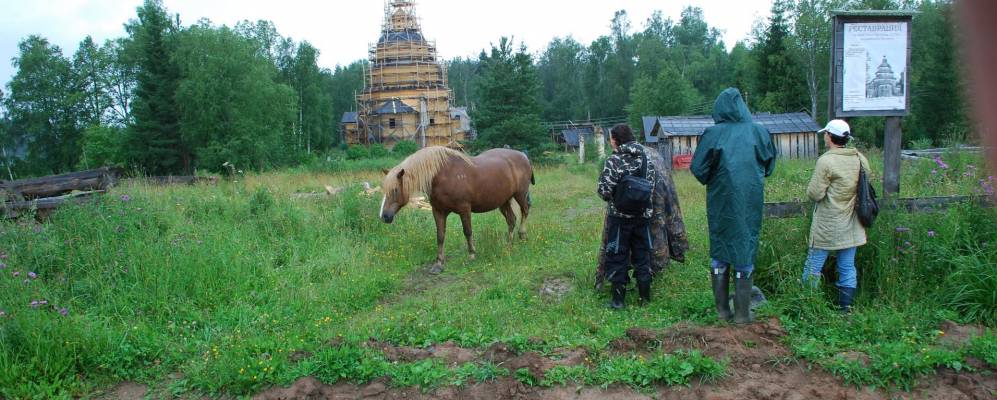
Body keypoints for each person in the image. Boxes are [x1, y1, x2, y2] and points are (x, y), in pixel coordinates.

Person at [691, 88, 777, 324]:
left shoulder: (713, 133)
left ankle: (722, 312)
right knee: (744, 249)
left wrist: (717, 178)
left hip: (720, 202)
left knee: (720, 251)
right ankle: (742, 314)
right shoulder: (760, 132)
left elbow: (699, 170)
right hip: (749, 202)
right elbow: (769, 166)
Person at [802, 119, 870, 312]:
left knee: (813, 266)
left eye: (825, 134)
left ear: (829, 136)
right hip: (853, 222)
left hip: (828, 223)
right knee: (847, 266)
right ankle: (845, 308)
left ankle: (809, 306)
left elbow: (815, 194)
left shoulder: (826, 161)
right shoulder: (859, 158)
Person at [597, 124, 656, 309]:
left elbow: (604, 190)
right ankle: (645, 299)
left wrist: (615, 197)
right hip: (643, 217)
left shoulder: (614, 160)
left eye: (610, 138)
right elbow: (652, 187)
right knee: (643, 256)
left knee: (617, 256)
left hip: (620, 218)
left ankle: (618, 301)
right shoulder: (647, 158)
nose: (609, 141)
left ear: (615, 139)